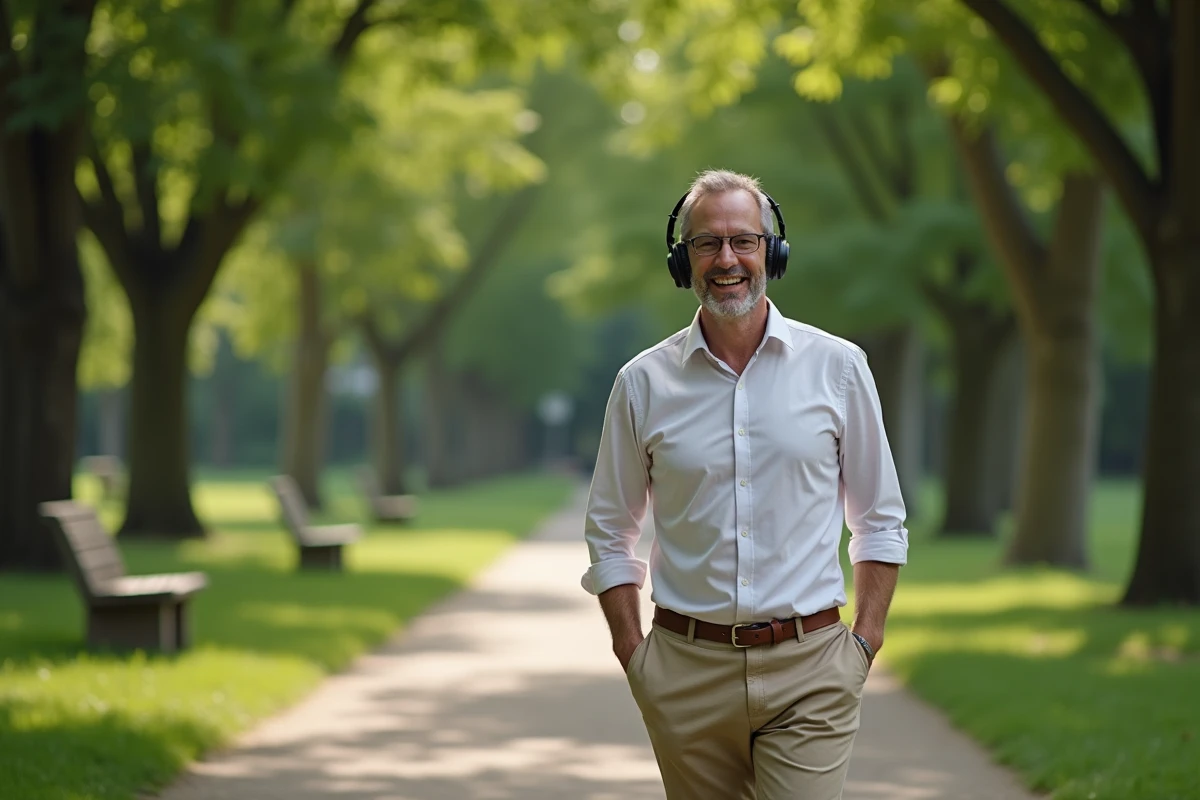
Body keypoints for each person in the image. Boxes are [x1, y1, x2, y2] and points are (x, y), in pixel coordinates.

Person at [581, 169, 908, 799]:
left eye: (743, 241)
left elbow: (879, 520)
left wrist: (864, 642)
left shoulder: (838, 368)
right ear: (684, 261)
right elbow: (610, 529)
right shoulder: (641, 384)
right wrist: (634, 652)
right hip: (684, 671)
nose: (726, 259)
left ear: (772, 253)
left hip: (812, 668)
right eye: (707, 243)